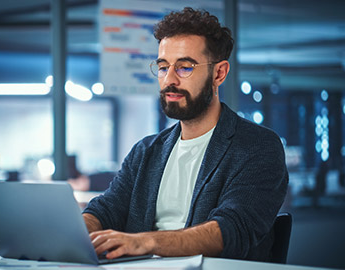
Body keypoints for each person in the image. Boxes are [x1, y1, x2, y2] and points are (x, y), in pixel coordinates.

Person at [82, 7, 288, 262]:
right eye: (163, 67)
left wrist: (145, 242)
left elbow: (231, 231)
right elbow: (106, 209)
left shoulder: (257, 147)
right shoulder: (146, 151)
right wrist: (79, 231)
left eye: (184, 68)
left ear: (219, 73)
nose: (169, 80)